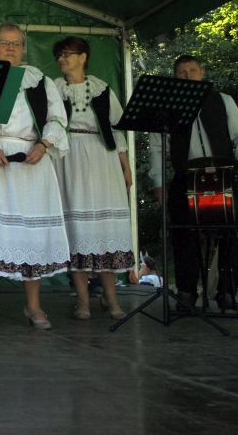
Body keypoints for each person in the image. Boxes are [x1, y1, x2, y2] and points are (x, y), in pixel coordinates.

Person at [0, 22, 70, 330]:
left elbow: (58, 119)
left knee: (32, 235)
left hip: (32, 162)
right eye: (3, 42)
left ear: (23, 48)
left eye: (16, 43)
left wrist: (44, 145)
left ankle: (33, 306)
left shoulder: (39, 80)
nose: (10, 47)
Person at [149, 54, 238, 311]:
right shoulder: (167, 107)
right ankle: (186, 292)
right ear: (175, 78)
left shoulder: (222, 101)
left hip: (222, 176)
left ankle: (227, 293)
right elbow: (157, 148)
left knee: (228, 234)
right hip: (186, 177)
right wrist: (159, 182)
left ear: (202, 73)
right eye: (182, 73)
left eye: (192, 71)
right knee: (184, 235)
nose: (188, 76)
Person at [52, 36, 134, 321]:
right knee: (76, 228)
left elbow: (117, 128)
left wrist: (125, 165)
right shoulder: (54, 88)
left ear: (83, 57)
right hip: (68, 157)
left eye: (67, 54)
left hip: (102, 157)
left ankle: (111, 298)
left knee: (104, 230)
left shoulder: (101, 88)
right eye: (59, 55)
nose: (62, 59)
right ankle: (83, 300)